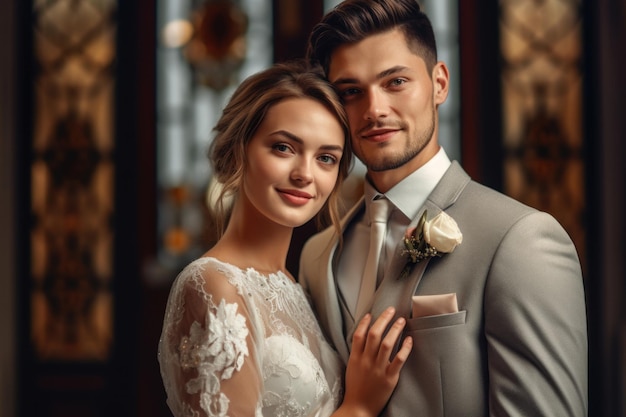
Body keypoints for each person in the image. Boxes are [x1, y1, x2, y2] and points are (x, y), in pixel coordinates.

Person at [299, 1, 588, 416]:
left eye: (395, 81)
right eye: (350, 92)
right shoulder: (318, 255)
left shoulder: (521, 239)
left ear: (439, 83)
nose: (375, 109)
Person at [157, 60, 413, 417]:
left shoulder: (296, 282)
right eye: (283, 148)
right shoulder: (213, 284)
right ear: (239, 150)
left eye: (326, 158)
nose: (305, 174)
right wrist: (358, 408)